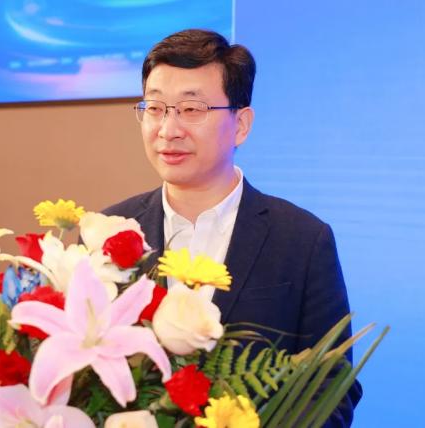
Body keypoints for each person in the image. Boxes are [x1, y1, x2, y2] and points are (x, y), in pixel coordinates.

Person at [103, 29, 362, 426]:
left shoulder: (302, 240)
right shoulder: (110, 233)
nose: (168, 129)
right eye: (155, 108)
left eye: (191, 109)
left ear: (241, 124)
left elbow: (331, 388)